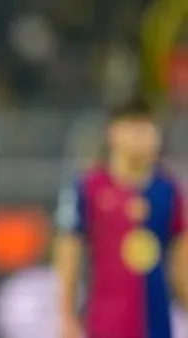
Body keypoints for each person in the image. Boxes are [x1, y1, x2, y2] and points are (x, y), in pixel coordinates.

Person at [54, 99, 188, 338]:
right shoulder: (90, 187)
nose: (145, 136)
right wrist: (66, 316)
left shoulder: (168, 191)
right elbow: (69, 251)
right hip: (105, 326)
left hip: (157, 327)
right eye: (136, 128)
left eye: (149, 128)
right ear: (114, 133)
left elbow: (182, 263)